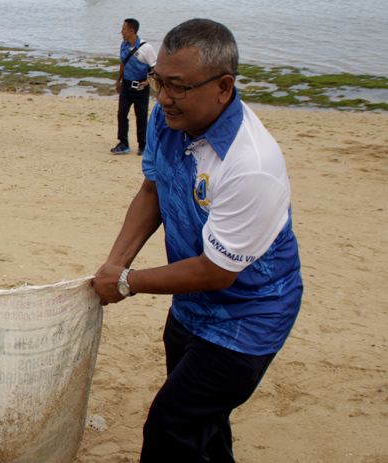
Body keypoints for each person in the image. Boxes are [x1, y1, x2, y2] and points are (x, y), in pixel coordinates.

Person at [91, 18, 302, 462]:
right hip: (190, 305)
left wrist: (127, 281)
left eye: (179, 87)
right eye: (159, 81)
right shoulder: (170, 121)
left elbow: (217, 271)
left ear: (224, 87)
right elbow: (153, 190)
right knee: (204, 425)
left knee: (171, 422)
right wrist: (114, 264)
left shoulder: (251, 164)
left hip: (249, 316)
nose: (164, 97)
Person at [111, 18, 156, 156]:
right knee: (122, 114)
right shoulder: (123, 45)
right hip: (126, 85)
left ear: (131, 30)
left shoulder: (146, 48)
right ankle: (123, 143)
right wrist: (118, 81)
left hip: (140, 87)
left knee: (141, 116)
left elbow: (155, 68)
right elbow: (123, 63)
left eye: (123, 29)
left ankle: (143, 145)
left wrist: (148, 82)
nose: (121, 32)